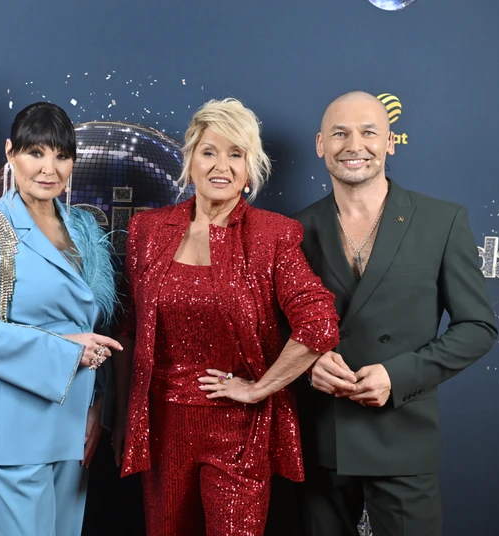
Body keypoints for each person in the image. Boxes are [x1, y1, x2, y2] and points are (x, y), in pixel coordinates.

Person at [112, 98, 340, 536]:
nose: (222, 165)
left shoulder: (273, 234)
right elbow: (129, 330)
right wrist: (124, 418)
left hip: (239, 431)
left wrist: (259, 388)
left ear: (249, 169)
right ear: (190, 162)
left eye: (236, 154)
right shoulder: (147, 231)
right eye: (209, 151)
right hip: (161, 429)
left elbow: (319, 324)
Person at [294, 91, 497, 536]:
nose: (354, 145)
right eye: (340, 133)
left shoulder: (442, 221)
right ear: (320, 145)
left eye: (368, 132)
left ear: (390, 142)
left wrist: (397, 375)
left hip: (403, 434)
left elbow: (477, 327)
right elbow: (270, 329)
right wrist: (307, 364)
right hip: (319, 437)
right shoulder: (293, 229)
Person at [0, 102, 122, 536]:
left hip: (70, 423)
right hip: (9, 425)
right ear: (11, 153)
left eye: (61, 155)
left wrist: (96, 406)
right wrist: (65, 351)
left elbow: (93, 330)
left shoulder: (81, 227)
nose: (49, 169)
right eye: (35, 153)